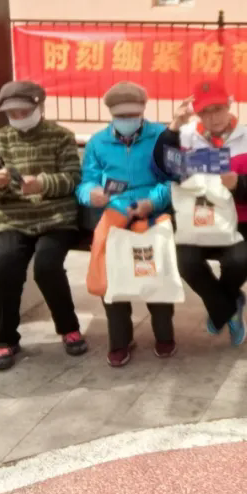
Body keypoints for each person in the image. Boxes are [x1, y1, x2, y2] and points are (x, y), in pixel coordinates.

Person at [0, 81, 86, 371]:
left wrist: (43, 183)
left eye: (24, 111)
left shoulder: (60, 136)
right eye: (12, 112)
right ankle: (5, 339)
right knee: (5, 269)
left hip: (56, 219)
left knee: (47, 267)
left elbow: (74, 178)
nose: (18, 116)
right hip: (15, 220)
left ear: (39, 107)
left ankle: (68, 327)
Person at [153, 79, 247, 345]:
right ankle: (226, 308)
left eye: (218, 109)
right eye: (205, 111)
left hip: (239, 219)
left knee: (240, 260)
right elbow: (161, 167)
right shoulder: (186, 135)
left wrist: (239, 183)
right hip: (196, 217)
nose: (212, 117)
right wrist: (174, 126)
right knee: (186, 261)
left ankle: (221, 304)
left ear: (229, 105)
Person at [78, 82, 174, 367]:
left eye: (133, 115)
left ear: (143, 110)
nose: (127, 121)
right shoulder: (98, 143)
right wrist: (91, 194)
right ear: (111, 114)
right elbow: (86, 181)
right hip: (115, 211)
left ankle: (164, 333)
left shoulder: (161, 137)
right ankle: (120, 339)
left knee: (154, 271)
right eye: (121, 116)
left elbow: (172, 179)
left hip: (152, 212)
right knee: (113, 273)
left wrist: (153, 202)